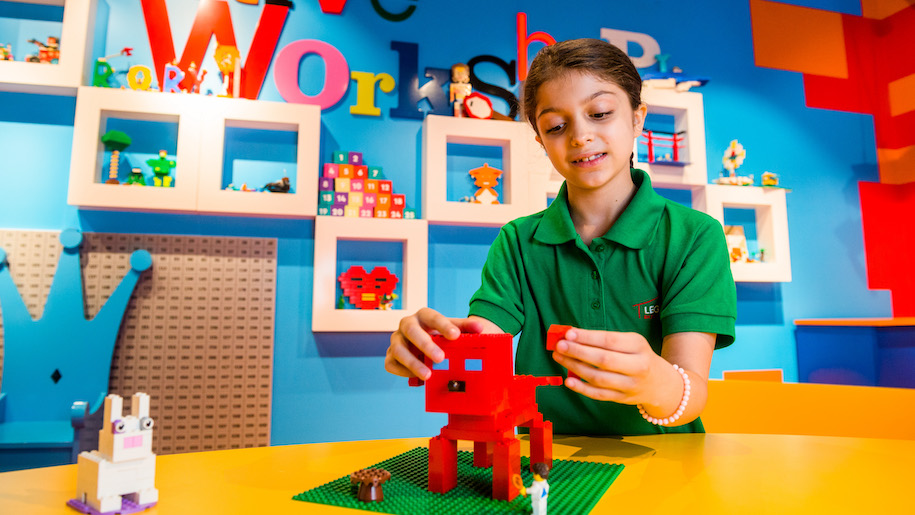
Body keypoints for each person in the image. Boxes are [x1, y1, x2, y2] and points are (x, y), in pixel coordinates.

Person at [386, 38, 736, 435]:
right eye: (556, 125)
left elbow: (691, 393)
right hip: (548, 464)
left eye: (601, 113)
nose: (580, 136)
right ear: (539, 139)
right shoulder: (518, 241)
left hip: (665, 461)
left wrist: (656, 380)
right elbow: (485, 337)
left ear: (638, 118)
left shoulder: (693, 237)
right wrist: (437, 345)